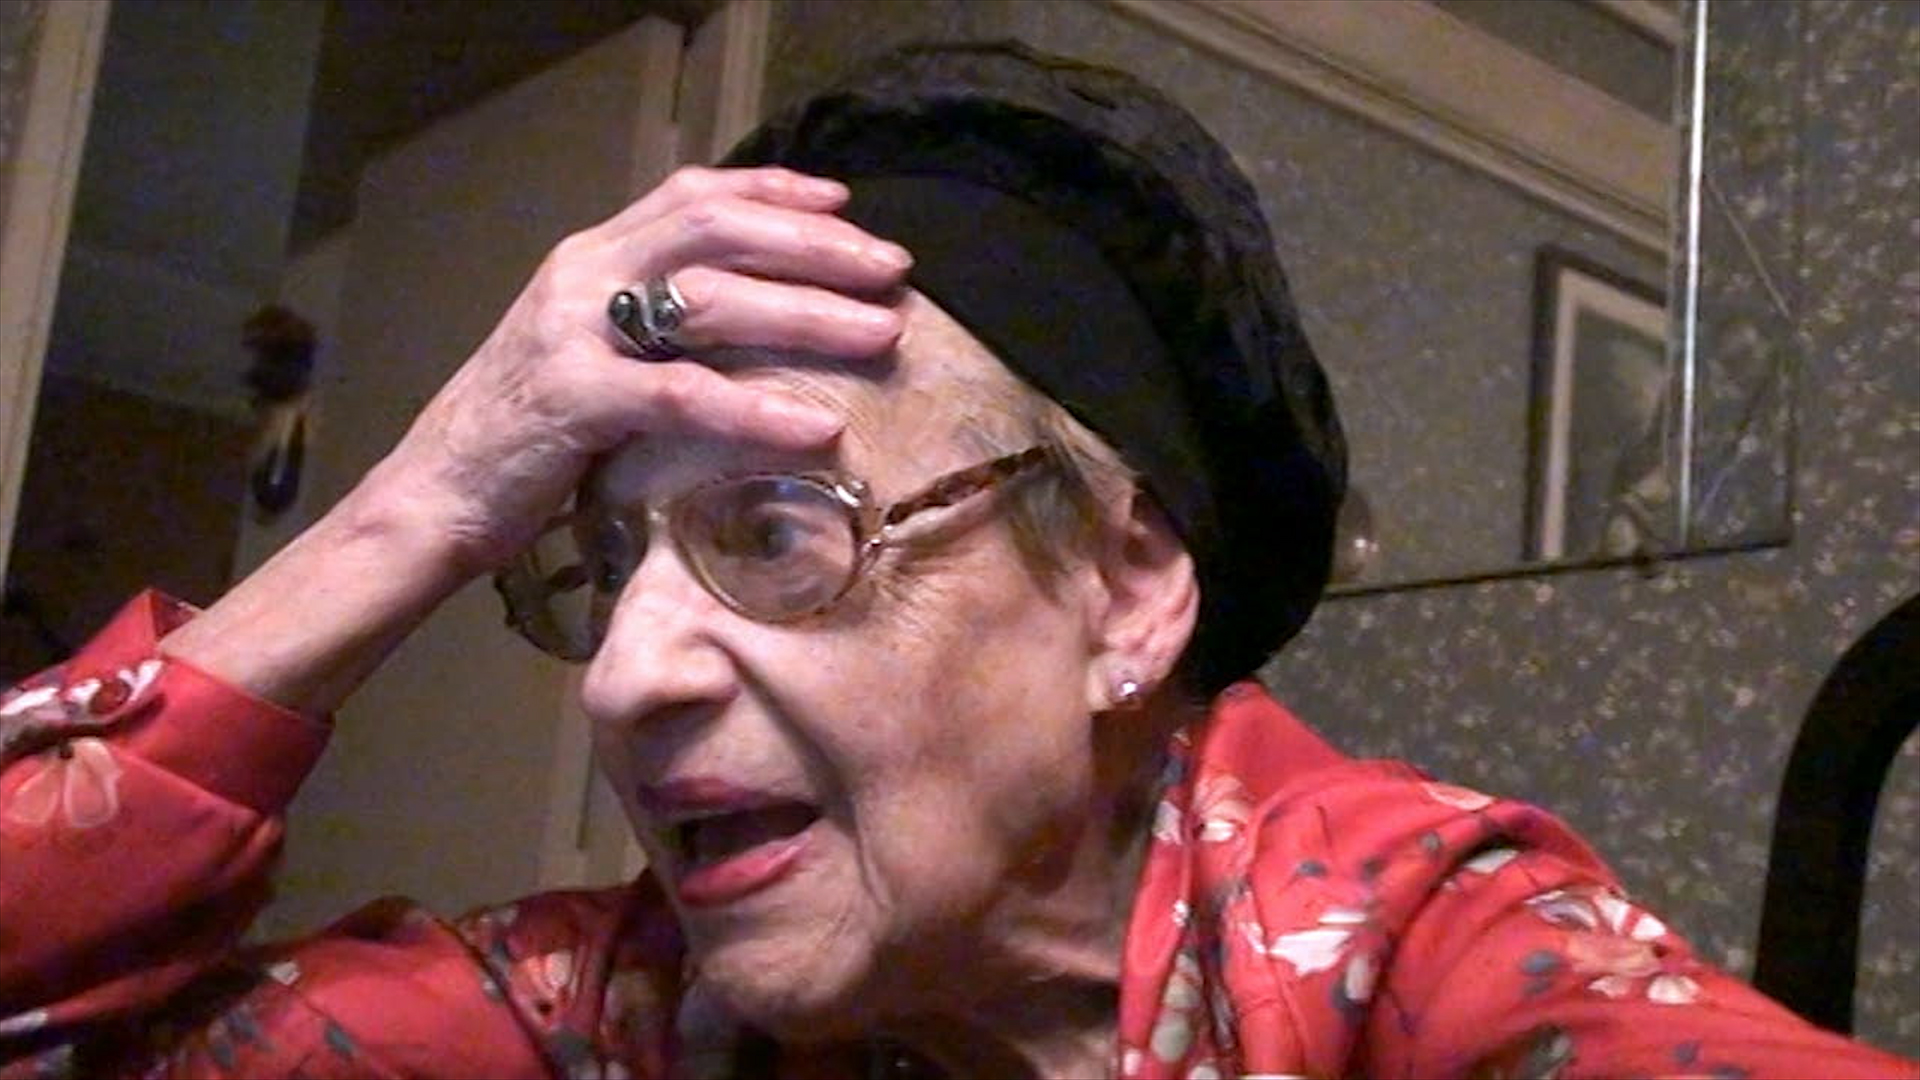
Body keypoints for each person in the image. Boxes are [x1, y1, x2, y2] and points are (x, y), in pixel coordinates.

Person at [0, 41, 1913, 1080]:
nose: (625, 678)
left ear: (1126, 590)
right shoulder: (622, 1011)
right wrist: (416, 506)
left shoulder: (1417, 962)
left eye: (777, 532)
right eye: (599, 562)